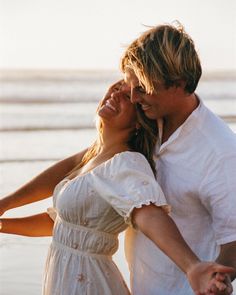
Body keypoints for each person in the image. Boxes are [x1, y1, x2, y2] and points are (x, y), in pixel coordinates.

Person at [0, 82, 234, 295]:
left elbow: (149, 214)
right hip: (64, 278)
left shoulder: (125, 163)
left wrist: (192, 266)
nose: (115, 94)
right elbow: (64, 226)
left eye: (126, 97)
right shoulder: (95, 156)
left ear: (138, 121)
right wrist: (4, 219)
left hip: (88, 283)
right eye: (116, 87)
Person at [120, 22, 236, 295]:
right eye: (131, 87)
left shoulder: (220, 153)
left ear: (180, 83)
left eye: (144, 88)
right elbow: (89, 158)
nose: (135, 98)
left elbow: (234, 240)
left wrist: (210, 281)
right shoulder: (147, 124)